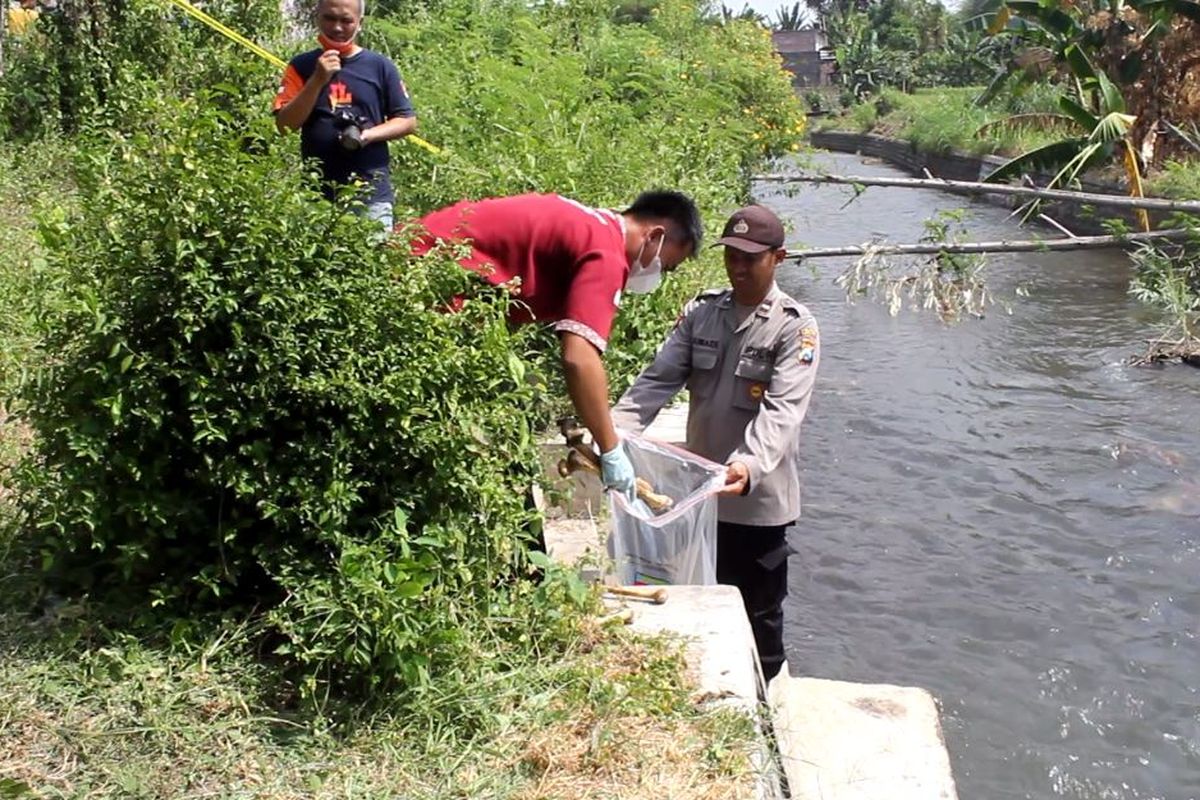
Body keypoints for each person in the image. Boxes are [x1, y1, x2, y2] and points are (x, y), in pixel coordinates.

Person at [610, 204, 819, 682]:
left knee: (760, 613)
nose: (739, 268)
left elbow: (782, 412)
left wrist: (746, 466)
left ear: (778, 258)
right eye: (732, 257)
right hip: (696, 499)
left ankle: (766, 703)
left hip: (754, 501)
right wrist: (613, 433)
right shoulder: (703, 313)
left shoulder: (794, 327)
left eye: (752, 258)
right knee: (696, 595)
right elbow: (655, 381)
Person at [410, 190, 703, 497]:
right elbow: (579, 357)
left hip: (418, 268)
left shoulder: (592, 227)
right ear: (655, 236)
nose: (659, 275)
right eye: (666, 267)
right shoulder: (606, 252)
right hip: (417, 282)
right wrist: (610, 448)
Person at [272, 0, 417, 230]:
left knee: (370, 263)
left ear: (359, 23)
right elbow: (285, 126)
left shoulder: (380, 66)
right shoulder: (301, 65)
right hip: (316, 196)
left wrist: (367, 135)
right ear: (317, 16)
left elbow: (407, 121)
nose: (337, 27)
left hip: (371, 196)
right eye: (330, 18)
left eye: (346, 20)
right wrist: (318, 79)